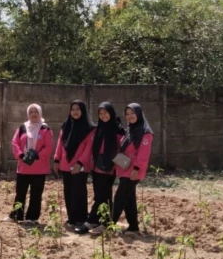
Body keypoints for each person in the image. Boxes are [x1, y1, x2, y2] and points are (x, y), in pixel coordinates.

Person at [110, 103, 154, 233]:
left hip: (134, 170)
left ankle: (109, 225)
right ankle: (133, 226)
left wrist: (136, 169)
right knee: (129, 198)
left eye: (132, 113)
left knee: (120, 197)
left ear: (139, 114)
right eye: (127, 114)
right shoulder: (129, 130)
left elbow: (144, 154)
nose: (130, 116)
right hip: (125, 168)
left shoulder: (146, 133)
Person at [53, 100, 94, 233]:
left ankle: (81, 219)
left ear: (83, 111)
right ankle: (71, 218)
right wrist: (56, 159)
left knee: (79, 191)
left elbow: (88, 149)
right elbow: (60, 143)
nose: (75, 112)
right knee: (68, 191)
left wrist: (80, 163)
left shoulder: (89, 128)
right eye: (73, 109)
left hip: (80, 166)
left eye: (78, 109)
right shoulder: (66, 126)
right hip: (65, 164)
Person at [84, 102, 124, 233]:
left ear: (111, 113)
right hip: (97, 166)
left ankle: (93, 221)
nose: (103, 116)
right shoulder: (98, 129)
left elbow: (121, 149)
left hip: (109, 167)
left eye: (105, 113)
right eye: (100, 113)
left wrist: (114, 164)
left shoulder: (118, 129)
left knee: (103, 195)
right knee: (100, 195)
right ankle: (100, 221)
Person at [9, 103, 53, 224]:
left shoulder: (45, 129)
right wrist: (20, 155)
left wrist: (38, 156)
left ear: (40, 113)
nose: (33, 114)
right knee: (20, 193)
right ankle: (16, 215)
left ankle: (32, 218)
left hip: (39, 168)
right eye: (31, 112)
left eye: (36, 112)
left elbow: (49, 146)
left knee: (36, 194)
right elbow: (15, 142)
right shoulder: (22, 127)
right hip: (23, 166)